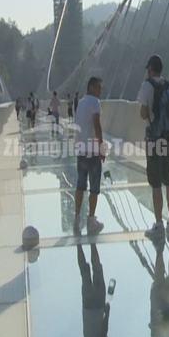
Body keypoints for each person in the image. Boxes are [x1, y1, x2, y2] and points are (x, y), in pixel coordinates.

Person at [137, 54, 169, 238]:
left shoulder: (148, 85)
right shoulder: (168, 85)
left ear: (149, 69)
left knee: (156, 183)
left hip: (155, 139)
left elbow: (143, 112)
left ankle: (158, 224)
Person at [74, 77, 105, 234]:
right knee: (94, 188)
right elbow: (97, 125)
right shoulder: (95, 102)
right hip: (92, 152)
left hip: (81, 151)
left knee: (80, 185)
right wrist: (102, 147)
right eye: (99, 88)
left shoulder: (80, 102)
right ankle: (91, 220)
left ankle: (77, 217)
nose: (101, 91)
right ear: (92, 87)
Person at [77, 244, 111, 337]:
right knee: (84, 273)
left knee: (97, 270)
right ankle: (78, 245)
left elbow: (103, 332)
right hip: (87, 306)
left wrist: (107, 314)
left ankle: (92, 244)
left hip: (98, 306)